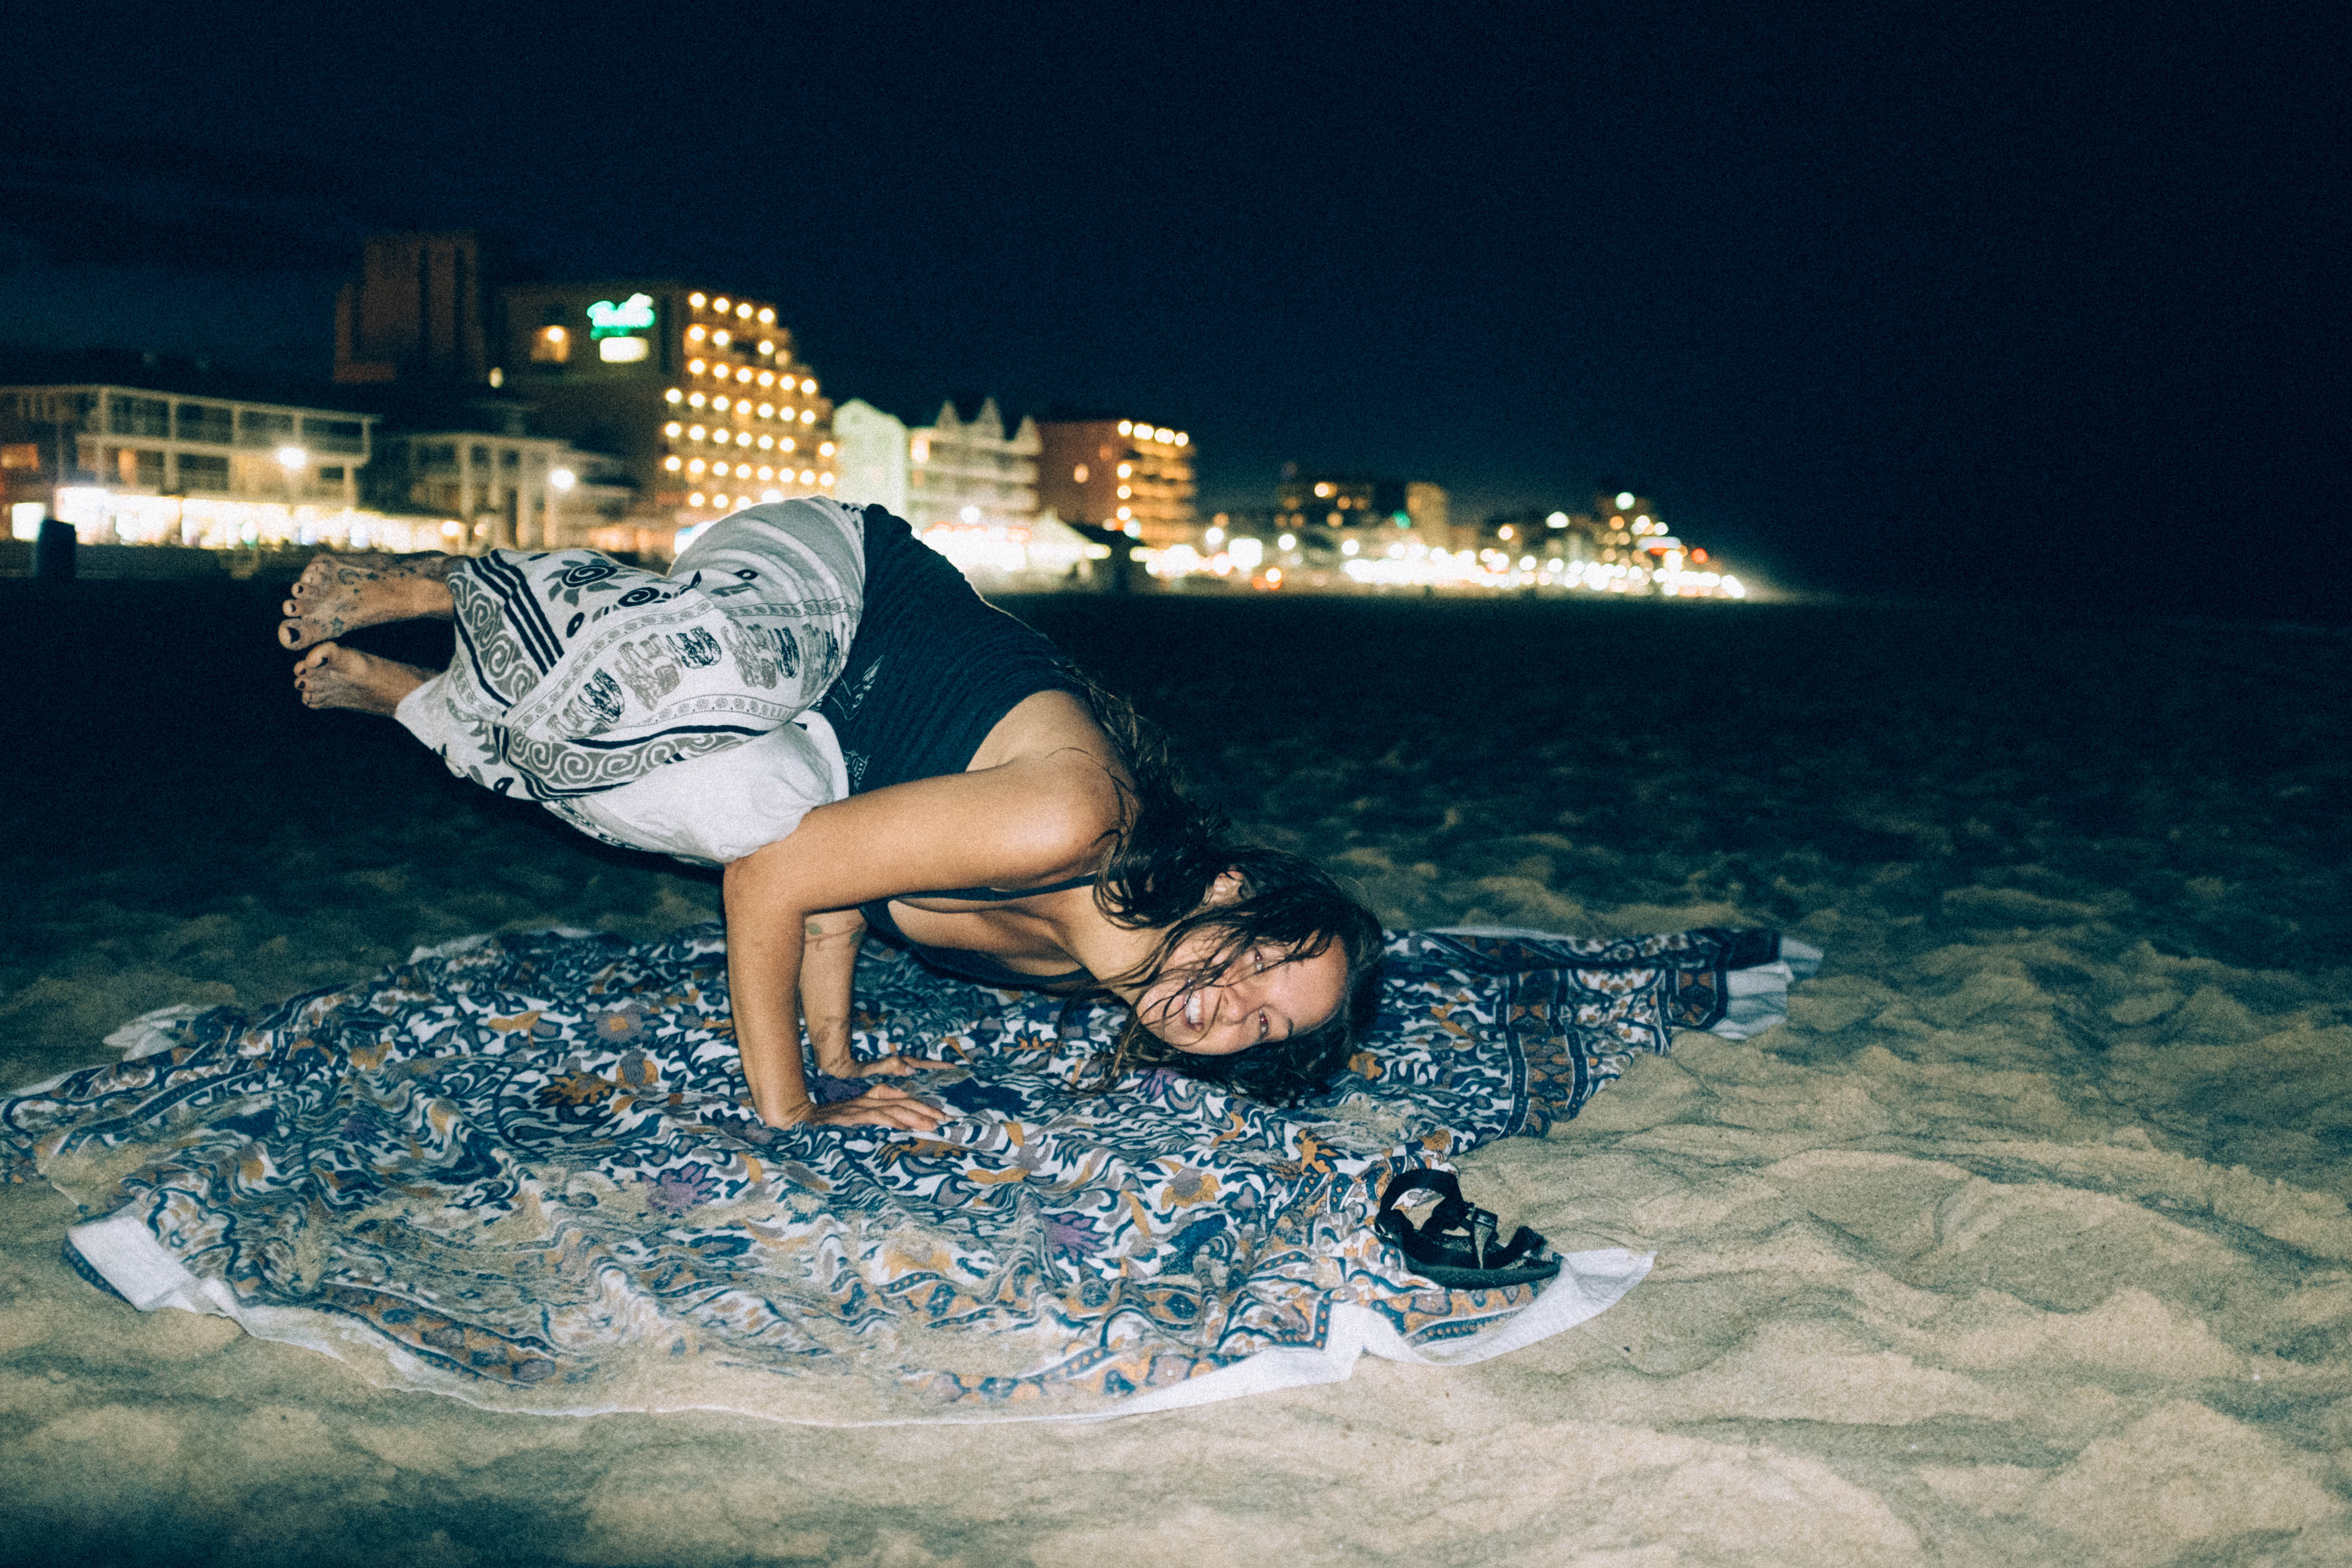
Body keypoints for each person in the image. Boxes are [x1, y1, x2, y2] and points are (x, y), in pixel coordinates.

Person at [281, 498, 1385, 1134]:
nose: (1231, 1007)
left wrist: (842, 1061)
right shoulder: (1074, 824)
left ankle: (412, 697)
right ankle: (447, 585)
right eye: (1258, 963)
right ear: (1233, 889)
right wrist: (793, 1108)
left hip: (827, 750)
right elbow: (777, 888)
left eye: (1263, 1027)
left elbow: (835, 895)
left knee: (702, 808)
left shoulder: (1073, 972)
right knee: (687, 686)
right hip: (842, 594)